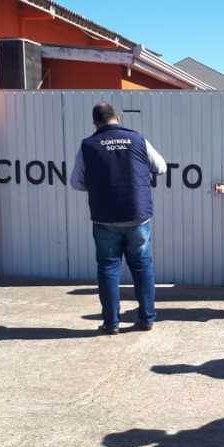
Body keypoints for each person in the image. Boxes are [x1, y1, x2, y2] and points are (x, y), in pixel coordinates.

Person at [69, 102, 167, 335]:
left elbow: (76, 183)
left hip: (105, 218)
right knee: (142, 268)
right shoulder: (138, 140)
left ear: (96, 123)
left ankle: (111, 323)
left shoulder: (88, 145)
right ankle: (146, 320)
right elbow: (161, 168)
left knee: (108, 269)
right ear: (117, 119)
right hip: (138, 216)